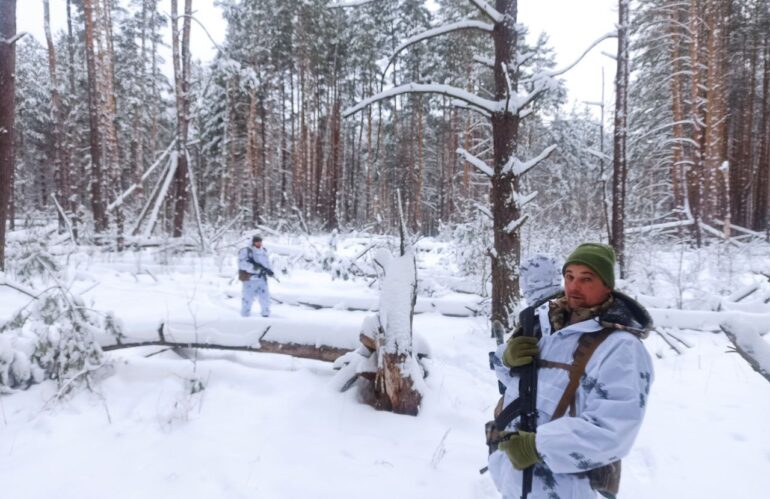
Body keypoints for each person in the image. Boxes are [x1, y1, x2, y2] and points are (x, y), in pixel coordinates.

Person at [488, 243, 654, 499]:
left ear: (607, 285)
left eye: (586, 279)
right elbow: (517, 387)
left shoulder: (621, 348)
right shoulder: (544, 323)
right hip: (513, 476)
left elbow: (613, 430)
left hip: (565, 487)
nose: (574, 287)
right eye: (569, 277)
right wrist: (508, 360)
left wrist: (537, 446)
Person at [238, 234, 274, 317]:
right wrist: (255, 268)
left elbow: (266, 263)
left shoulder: (263, 251)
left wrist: (270, 271)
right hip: (250, 279)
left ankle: (266, 315)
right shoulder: (246, 251)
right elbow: (242, 264)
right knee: (247, 300)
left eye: (260, 241)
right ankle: (245, 317)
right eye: (257, 242)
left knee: (265, 299)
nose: (259, 243)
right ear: (253, 242)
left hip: (262, 279)